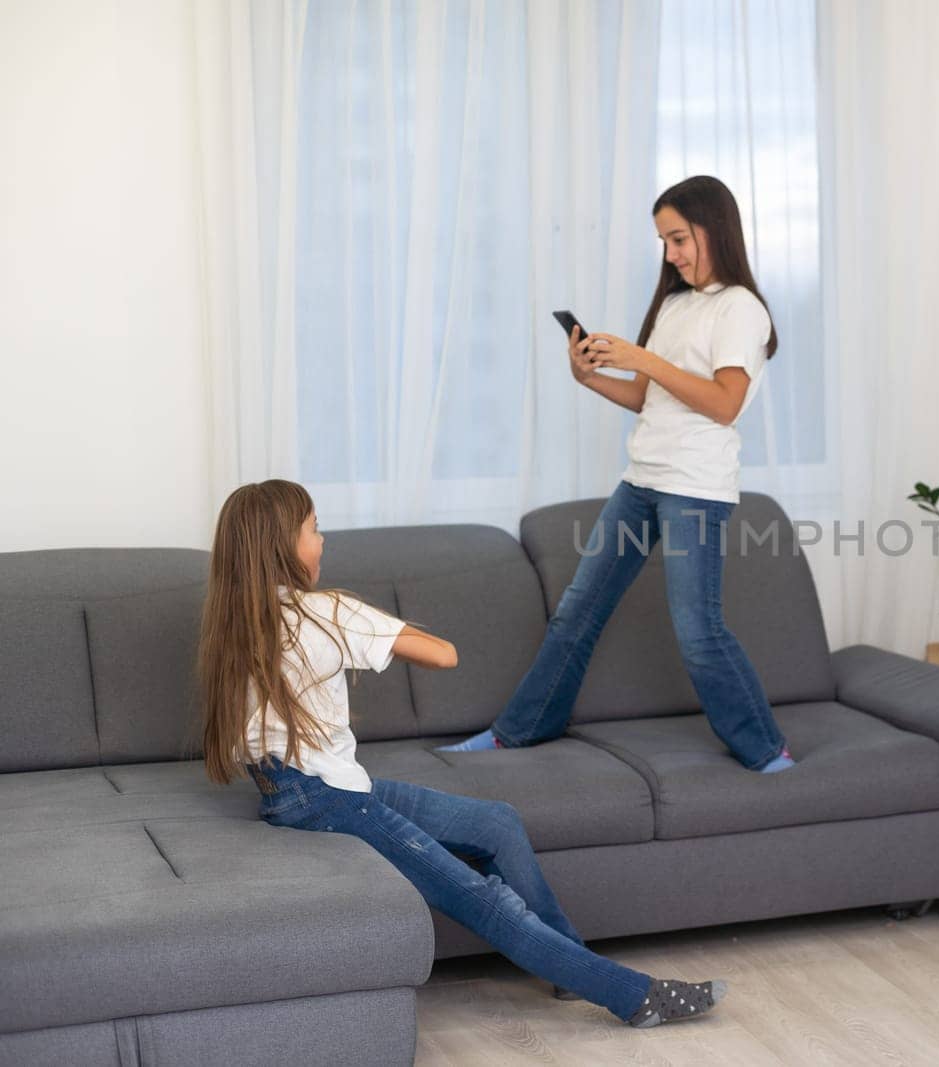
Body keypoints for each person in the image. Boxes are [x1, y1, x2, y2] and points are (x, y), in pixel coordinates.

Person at [198, 479, 725, 1028]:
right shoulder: (327, 612)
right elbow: (443, 654)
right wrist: (369, 624)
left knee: (497, 823)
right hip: (327, 800)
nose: (323, 540)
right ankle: (634, 997)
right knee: (485, 900)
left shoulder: (236, 623)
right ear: (284, 544)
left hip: (304, 791)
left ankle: (574, 969)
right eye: (313, 529)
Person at [442, 175, 793, 773]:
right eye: (663, 241)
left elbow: (724, 403)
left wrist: (642, 358)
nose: (671, 254)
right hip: (642, 480)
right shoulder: (676, 303)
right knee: (577, 610)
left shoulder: (741, 308)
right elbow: (645, 399)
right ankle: (519, 730)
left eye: (679, 238)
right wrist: (590, 377)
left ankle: (766, 750)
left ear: (715, 228)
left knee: (698, 632)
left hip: (695, 490)